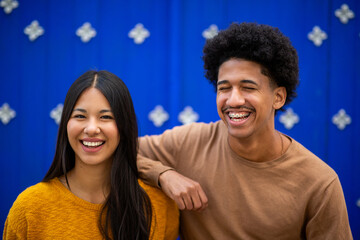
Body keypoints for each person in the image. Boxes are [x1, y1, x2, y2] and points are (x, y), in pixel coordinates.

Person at [137, 23, 353, 239]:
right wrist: (163, 175)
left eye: (248, 88)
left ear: (278, 98)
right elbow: (117, 150)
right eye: (224, 88)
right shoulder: (188, 142)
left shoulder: (320, 183)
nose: (234, 100)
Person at [3, 70, 179, 240]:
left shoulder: (159, 206)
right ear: (66, 123)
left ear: (124, 126)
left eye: (105, 117)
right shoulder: (30, 207)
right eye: (80, 116)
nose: (91, 128)